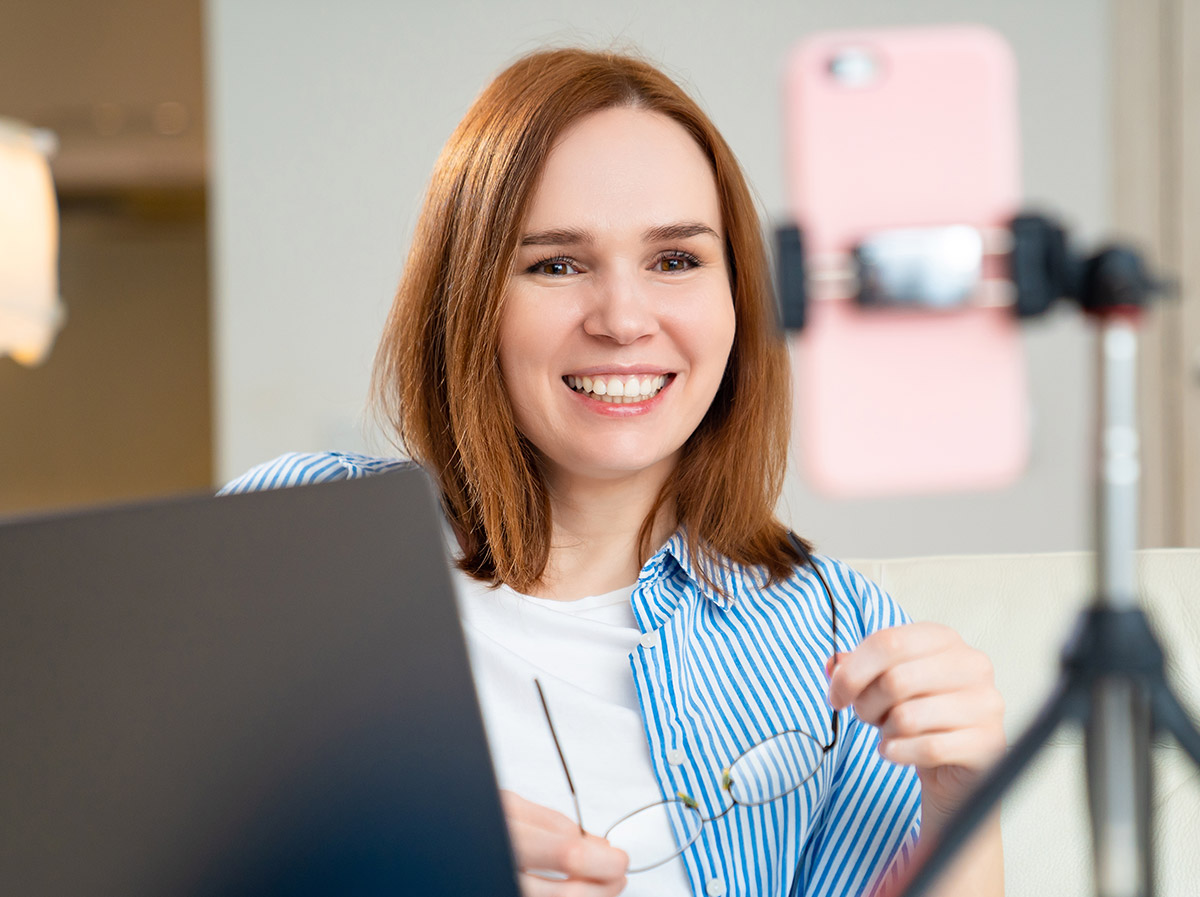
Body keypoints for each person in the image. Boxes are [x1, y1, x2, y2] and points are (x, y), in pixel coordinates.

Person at [222, 48, 1006, 897]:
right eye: (556, 263)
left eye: (675, 260)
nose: (625, 319)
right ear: (469, 297)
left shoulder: (834, 628)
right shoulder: (294, 533)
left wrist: (968, 801)